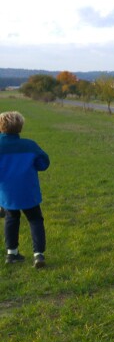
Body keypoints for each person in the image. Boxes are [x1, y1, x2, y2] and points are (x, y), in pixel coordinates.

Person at [0, 111, 50, 268]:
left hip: (7, 192)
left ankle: (12, 253)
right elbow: (43, 163)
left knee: (11, 218)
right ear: (20, 127)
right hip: (28, 191)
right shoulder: (30, 145)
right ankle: (38, 255)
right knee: (35, 219)